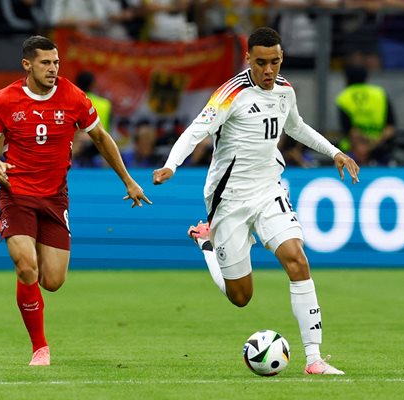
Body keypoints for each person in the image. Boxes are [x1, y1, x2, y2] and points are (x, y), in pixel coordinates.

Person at [153, 27, 360, 375]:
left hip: (268, 191)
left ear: (281, 60)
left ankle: (314, 359)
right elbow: (195, 131)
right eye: (261, 62)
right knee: (241, 297)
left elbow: (296, 127)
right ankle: (207, 243)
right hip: (229, 201)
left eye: (275, 62)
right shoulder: (230, 94)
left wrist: (335, 152)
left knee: (297, 260)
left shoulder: (285, 91)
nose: (269, 70)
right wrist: (171, 165)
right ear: (248, 59)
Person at [0, 35, 151, 366]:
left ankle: (5, 228)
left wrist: (128, 180)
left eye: (56, 62)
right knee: (27, 267)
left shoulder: (72, 96)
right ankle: (40, 348)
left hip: (55, 198)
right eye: (45, 63)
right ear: (27, 65)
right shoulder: (5, 99)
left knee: (52, 281)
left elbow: (100, 137)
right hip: (16, 194)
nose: (53, 69)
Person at [336, 63, 396, 166]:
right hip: (380, 148)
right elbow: (391, 128)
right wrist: (375, 143)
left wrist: (364, 146)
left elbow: (350, 130)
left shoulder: (344, 97)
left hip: (352, 150)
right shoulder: (380, 93)